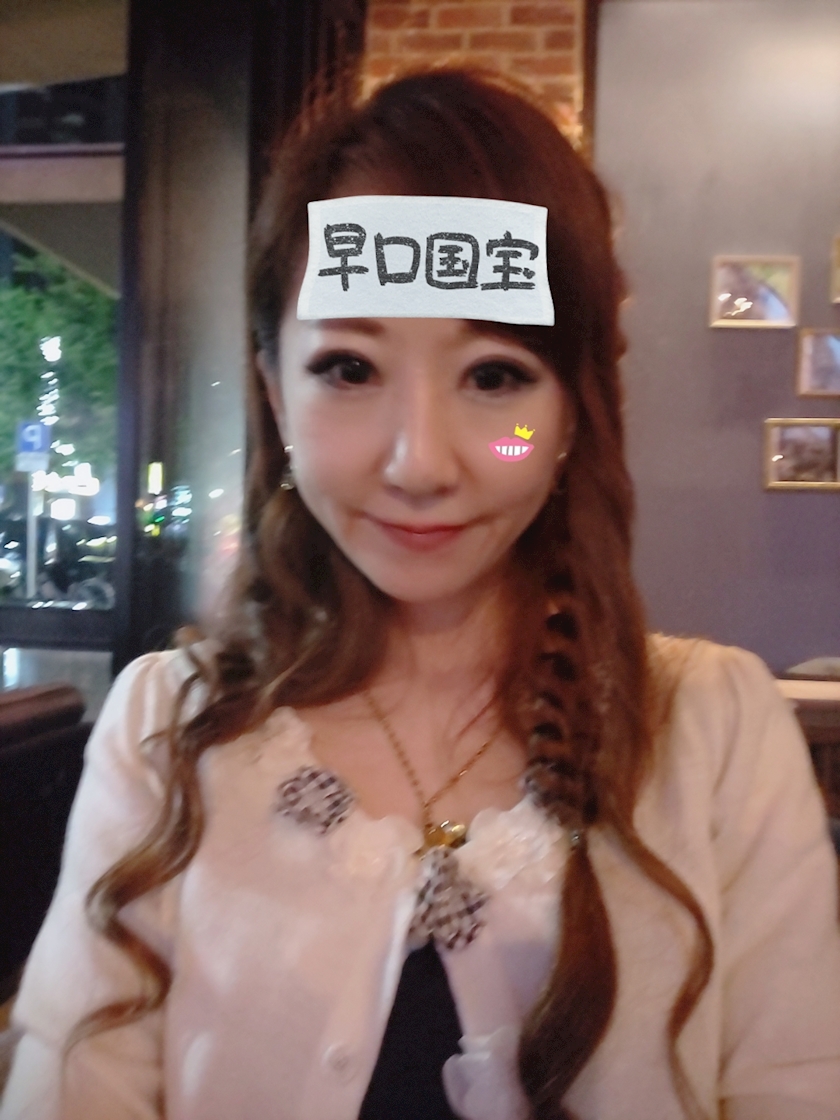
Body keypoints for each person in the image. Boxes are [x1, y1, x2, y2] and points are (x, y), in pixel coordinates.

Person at [2, 68, 840, 1120]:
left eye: (495, 377)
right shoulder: (167, 730)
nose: (419, 464)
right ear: (274, 391)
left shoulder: (715, 732)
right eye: (350, 370)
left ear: (573, 410)